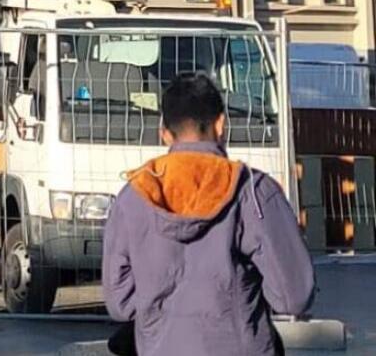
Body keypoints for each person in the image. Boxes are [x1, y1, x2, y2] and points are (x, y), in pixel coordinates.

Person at [102, 72, 314, 356]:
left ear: (164, 132)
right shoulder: (253, 192)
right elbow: (293, 297)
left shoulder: (135, 196)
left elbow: (120, 303)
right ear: (221, 124)